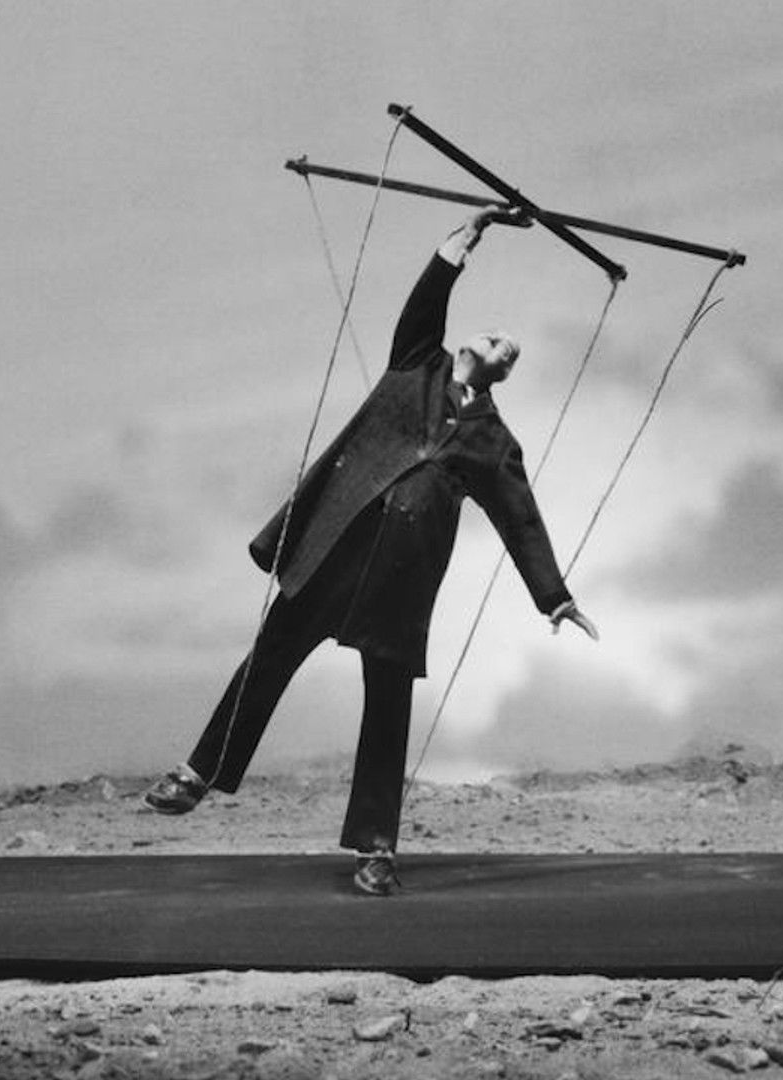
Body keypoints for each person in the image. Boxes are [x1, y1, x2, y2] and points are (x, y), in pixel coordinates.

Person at [141, 206, 599, 896]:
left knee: (387, 708)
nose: (503, 343)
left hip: (400, 582)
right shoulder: (416, 363)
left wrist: (554, 597)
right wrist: (471, 232)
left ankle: (376, 848)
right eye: (496, 334)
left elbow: (520, 519)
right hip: (338, 550)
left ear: (504, 376)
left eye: (511, 351)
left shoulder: (494, 441)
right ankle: (198, 775)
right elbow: (428, 300)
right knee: (269, 657)